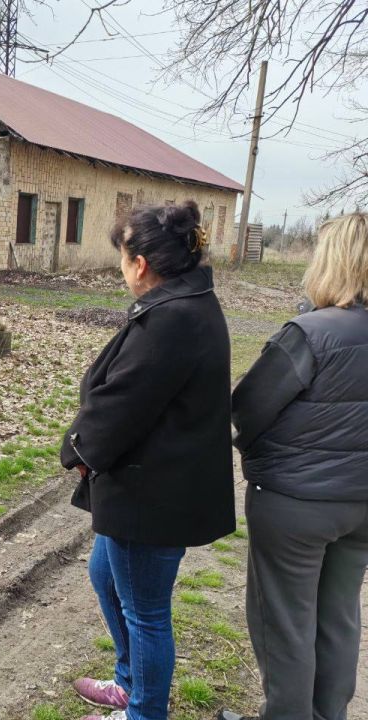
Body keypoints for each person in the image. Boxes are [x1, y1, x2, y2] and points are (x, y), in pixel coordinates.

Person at [59, 200, 236, 720]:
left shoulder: (174, 318)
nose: (120, 268)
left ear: (140, 264)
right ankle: (129, 683)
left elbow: (122, 403)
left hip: (152, 493)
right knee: (105, 576)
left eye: (122, 257)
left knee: (147, 615)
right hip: (152, 482)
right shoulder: (184, 301)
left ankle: (142, 712)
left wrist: (79, 450)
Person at [218, 213, 368, 720]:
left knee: (285, 623)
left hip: (296, 506)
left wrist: (259, 456)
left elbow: (249, 407)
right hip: (362, 505)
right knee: (340, 617)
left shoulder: (309, 333)